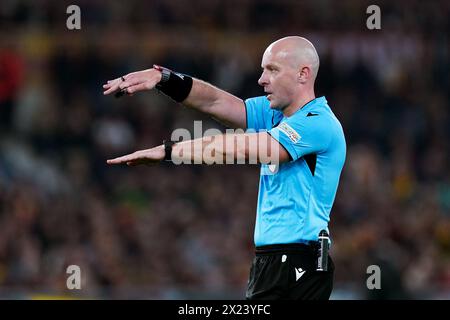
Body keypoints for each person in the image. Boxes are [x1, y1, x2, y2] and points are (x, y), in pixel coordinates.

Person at [103, 36, 346, 300]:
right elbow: (215, 102)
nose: (261, 79)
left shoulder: (318, 122)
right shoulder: (275, 114)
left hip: (299, 262)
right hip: (271, 261)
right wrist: (164, 79)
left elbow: (240, 148)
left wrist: (169, 151)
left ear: (303, 74)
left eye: (272, 70)